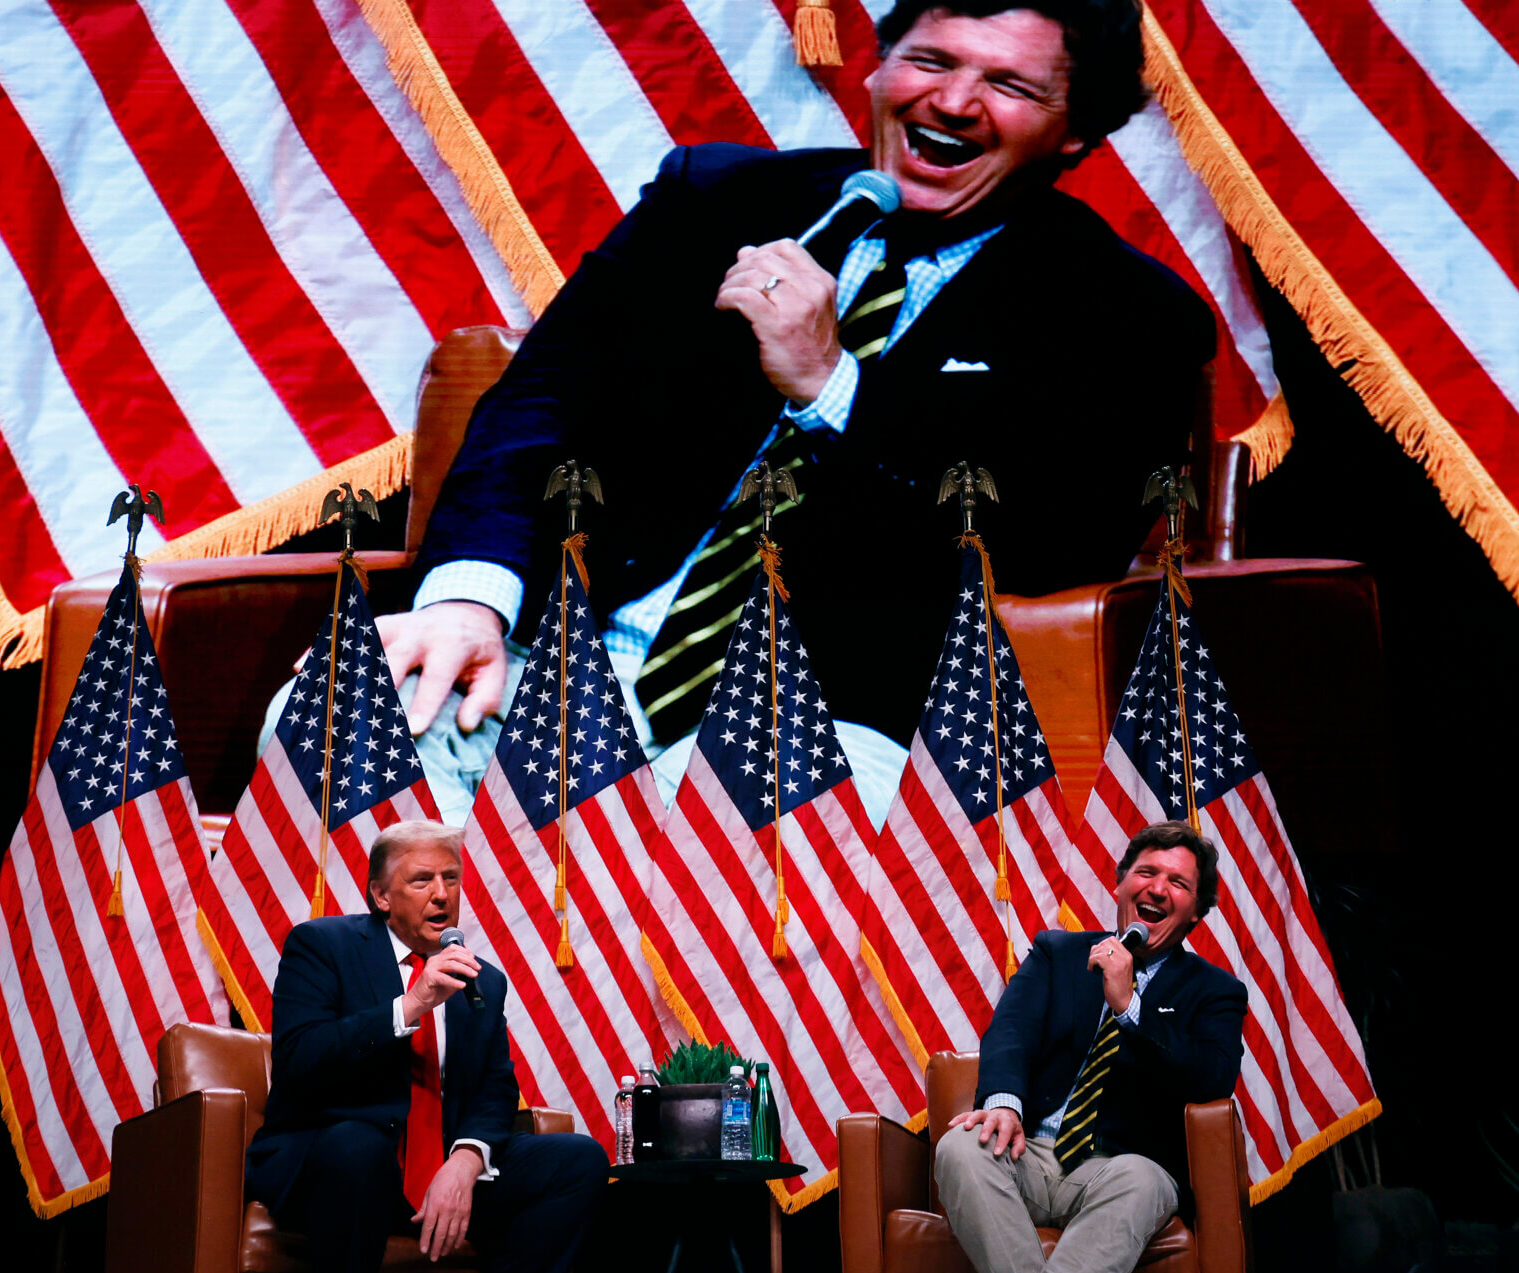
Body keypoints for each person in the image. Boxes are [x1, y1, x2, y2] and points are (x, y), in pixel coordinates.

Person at [375, 0, 1215, 821]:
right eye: (931, 61)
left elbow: (1038, 549)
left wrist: (831, 387)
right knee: (352, 708)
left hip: (827, 723)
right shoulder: (713, 201)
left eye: (1012, 86)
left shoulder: (1128, 318)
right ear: (880, 70)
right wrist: (469, 601)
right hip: (574, 669)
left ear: (1077, 131)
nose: (955, 103)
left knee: (758, 826)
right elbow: (541, 402)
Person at [244, 820, 608, 1273]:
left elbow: (495, 1089)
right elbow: (302, 1060)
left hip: (436, 1173)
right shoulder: (322, 946)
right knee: (358, 1147)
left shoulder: (480, 979)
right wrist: (410, 1006)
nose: (442, 894)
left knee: (579, 1161)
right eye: (422, 881)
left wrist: (465, 1160)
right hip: (339, 1169)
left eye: (451, 879)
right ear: (381, 895)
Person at [932, 819, 1246, 1273]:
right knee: (961, 1146)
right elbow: (1011, 1031)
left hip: (1121, 1168)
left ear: (1197, 911)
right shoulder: (1058, 954)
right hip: (1030, 1152)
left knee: (1144, 1181)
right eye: (1146, 872)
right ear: (1120, 884)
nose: (1157, 888)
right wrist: (1004, 1104)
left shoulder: (1215, 991)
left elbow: (1210, 1078)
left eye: (1178, 883)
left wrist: (1130, 1006)